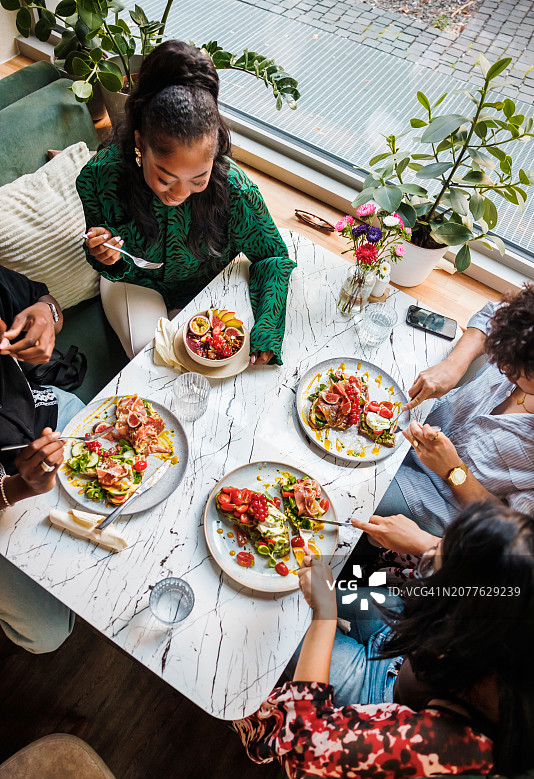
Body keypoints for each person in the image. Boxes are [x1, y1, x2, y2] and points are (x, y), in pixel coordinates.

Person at [235, 502, 534, 779]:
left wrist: (325, 614)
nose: (427, 569)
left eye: (438, 573)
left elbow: (304, 744)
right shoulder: (509, 612)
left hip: (378, 692)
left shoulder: (452, 744)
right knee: (299, 587)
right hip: (399, 637)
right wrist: (426, 544)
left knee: (278, 620)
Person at [76, 40, 296, 362]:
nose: (178, 193)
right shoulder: (99, 179)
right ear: (140, 144)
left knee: (213, 363)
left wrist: (268, 328)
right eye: (165, 178)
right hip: (133, 282)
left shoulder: (236, 191)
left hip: (206, 284)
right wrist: (104, 254)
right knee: (154, 358)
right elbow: (103, 253)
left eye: (198, 179)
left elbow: (272, 257)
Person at [350, 286, 534, 568]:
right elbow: (493, 315)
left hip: (434, 499)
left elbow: (510, 538)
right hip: (424, 420)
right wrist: (454, 366)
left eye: (516, 373)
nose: (503, 369)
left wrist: (453, 471)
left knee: (346, 481)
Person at [0, 264, 83, 652]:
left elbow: (46, 300)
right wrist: (17, 487)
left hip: (42, 412)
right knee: (47, 631)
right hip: (6, 488)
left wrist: (47, 316)